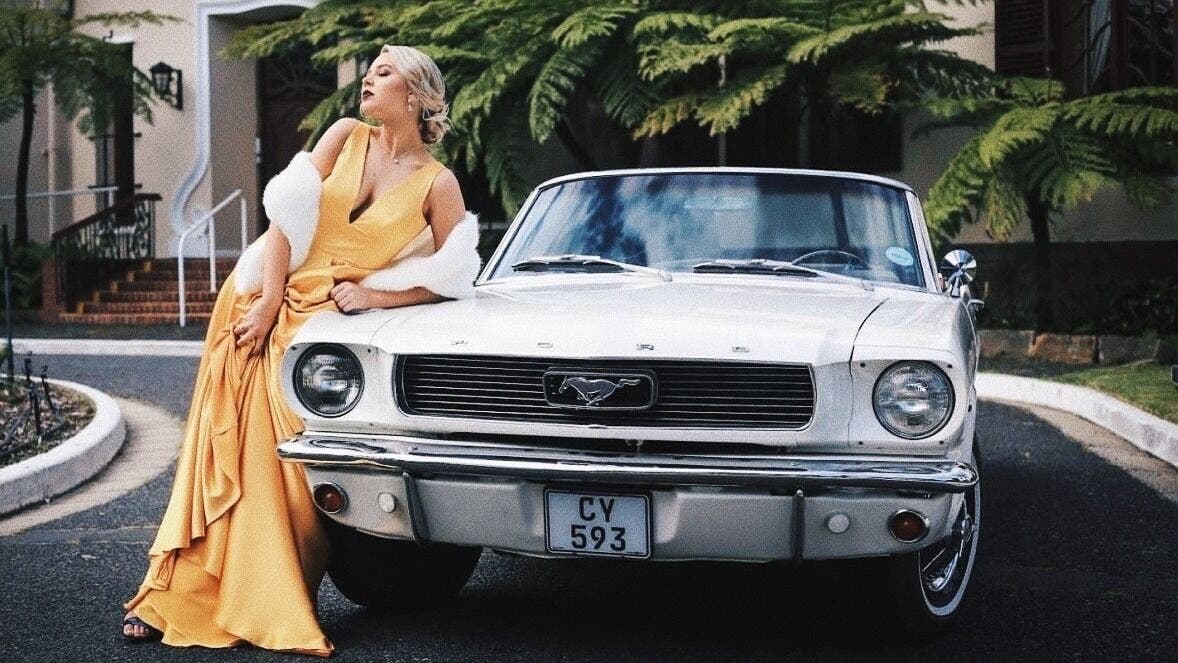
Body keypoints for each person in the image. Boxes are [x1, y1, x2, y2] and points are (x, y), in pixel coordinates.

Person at [120, 45, 480, 655]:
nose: (368, 79)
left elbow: (454, 278)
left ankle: (265, 598)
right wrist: (264, 302)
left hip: (325, 331)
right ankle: (170, 596)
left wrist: (376, 297)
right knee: (220, 455)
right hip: (259, 305)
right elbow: (286, 217)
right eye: (368, 72)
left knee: (287, 478)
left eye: (384, 73)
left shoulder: (438, 184)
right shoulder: (343, 135)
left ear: (415, 94)